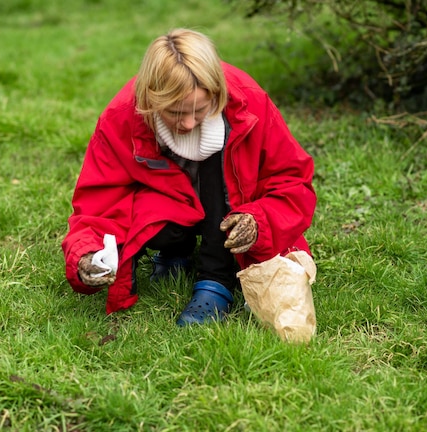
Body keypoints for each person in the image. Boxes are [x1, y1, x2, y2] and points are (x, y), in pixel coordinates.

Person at [61, 28, 316, 326]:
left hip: (229, 207)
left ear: (217, 92)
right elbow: (98, 200)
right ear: (150, 99)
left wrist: (259, 220)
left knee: (220, 178)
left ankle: (216, 281)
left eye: (200, 110)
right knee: (150, 213)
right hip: (168, 206)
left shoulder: (249, 102)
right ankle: (173, 249)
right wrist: (86, 254)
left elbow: (293, 181)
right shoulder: (122, 116)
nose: (187, 123)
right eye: (174, 112)